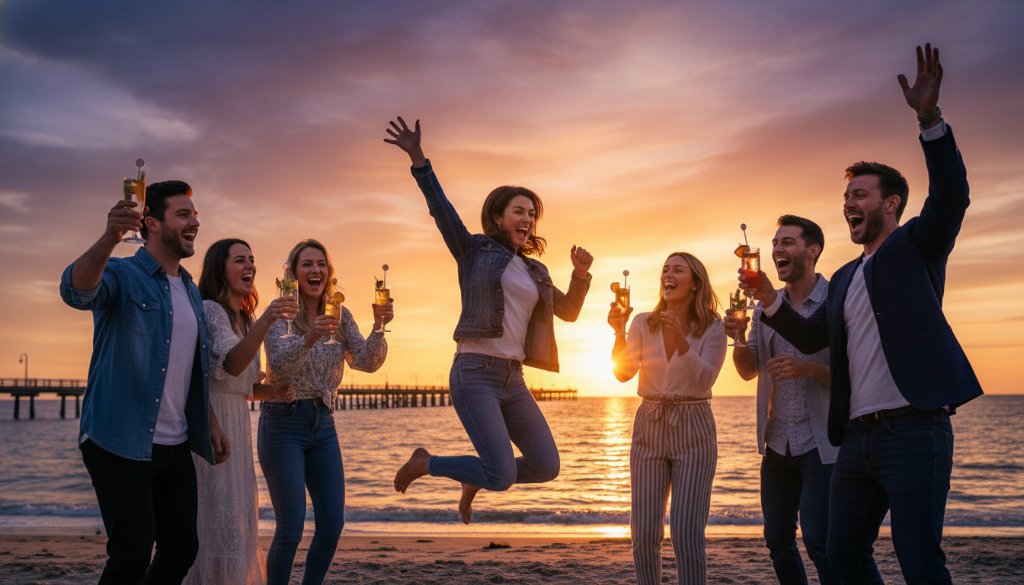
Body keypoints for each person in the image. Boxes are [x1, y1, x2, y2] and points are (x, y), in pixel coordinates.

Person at [742, 44, 983, 584]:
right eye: (845, 195)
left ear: (891, 204)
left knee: (920, 559)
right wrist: (767, 295)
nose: (849, 202)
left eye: (860, 194)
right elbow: (808, 336)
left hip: (915, 431)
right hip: (854, 438)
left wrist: (929, 120)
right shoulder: (846, 277)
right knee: (840, 552)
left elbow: (953, 195)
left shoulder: (917, 246)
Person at [386, 117, 594, 524]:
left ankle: (474, 477)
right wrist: (417, 157)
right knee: (500, 475)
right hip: (474, 372)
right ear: (498, 217)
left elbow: (567, 311)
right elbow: (440, 210)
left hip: (513, 379)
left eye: (532, 214)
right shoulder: (473, 251)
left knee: (547, 465)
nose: (528, 219)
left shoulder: (536, 271)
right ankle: (429, 462)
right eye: (519, 211)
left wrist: (581, 275)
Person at [59, 179, 230, 584]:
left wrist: (210, 420)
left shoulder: (189, 289)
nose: (194, 222)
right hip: (120, 439)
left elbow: (186, 367)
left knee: (181, 548)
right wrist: (108, 237)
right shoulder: (121, 272)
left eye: (196, 215)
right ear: (152, 223)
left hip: (174, 443)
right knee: (130, 555)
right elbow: (75, 291)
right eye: (184, 214)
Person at [260, 238, 393, 585]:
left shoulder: (340, 313)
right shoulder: (281, 314)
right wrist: (309, 338)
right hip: (283, 422)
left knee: (332, 525)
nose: (315, 270)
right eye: (307, 264)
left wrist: (378, 327)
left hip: (323, 423)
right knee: (290, 527)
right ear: (294, 272)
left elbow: (365, 361)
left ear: (328, 273)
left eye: (321, 264)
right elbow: (279, 364)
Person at [724, 216, 838, 585]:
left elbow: (856, 377)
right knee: (777, 540)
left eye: (787, 242)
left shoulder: (836, 300)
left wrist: (809, 369)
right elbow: (747, 370)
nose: (777, 250)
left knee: (821, 541)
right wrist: (739, 339)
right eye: (774, 244)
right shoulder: (762, 310)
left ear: (813, 250)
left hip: (821, 443)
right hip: (777, 443)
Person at [184, 238, 299, 585]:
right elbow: (231, 366)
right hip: (212, 422)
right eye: (240, 260)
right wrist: (267, 319)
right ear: (221, 268)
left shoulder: (244, 319)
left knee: (237, 517)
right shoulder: (210, 310)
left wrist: (271, 391)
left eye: (251, 259)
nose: (250, 265)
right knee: (216, 519)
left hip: (237, 423)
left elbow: (242, 387)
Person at [608, 252, 726, 585]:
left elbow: (704, 380)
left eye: (677, 269)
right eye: (664, 270)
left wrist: (679, 340)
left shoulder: (714, 327)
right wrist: (618, 332)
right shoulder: (644, 322)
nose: (667, 275)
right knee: (644, 534)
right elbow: (624, 373)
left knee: (686, 536)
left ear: (695, 283)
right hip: (650, 422)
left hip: (694, 424)